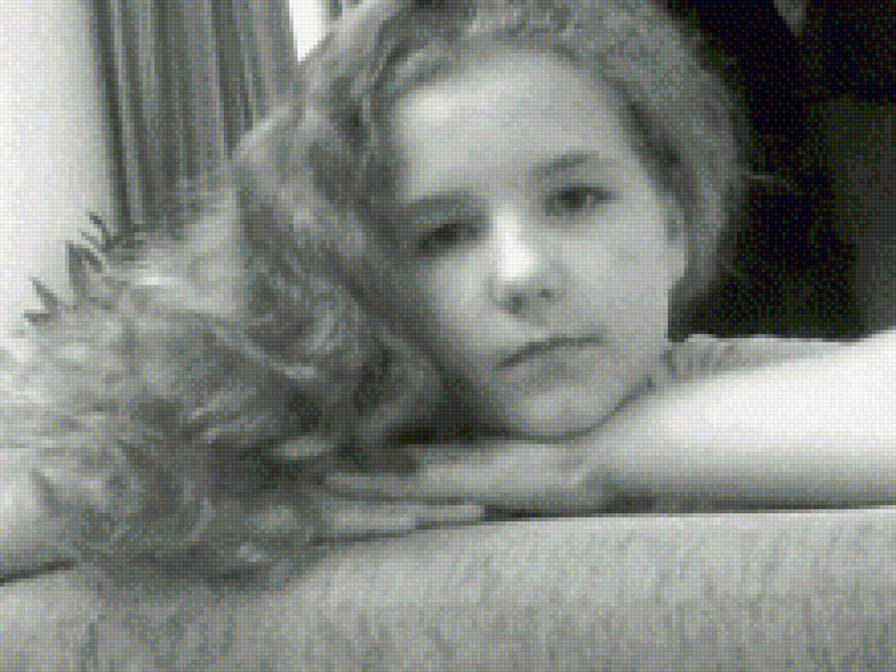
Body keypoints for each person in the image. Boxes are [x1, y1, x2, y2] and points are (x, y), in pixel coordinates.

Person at [0, 0, 879, 584]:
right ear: (352, 272)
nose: (524, 274)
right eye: (442, 236)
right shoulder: (329, 440)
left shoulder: (710, 383)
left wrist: (594, 458)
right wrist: (176, 501)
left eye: (576, 199)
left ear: (674, 228)